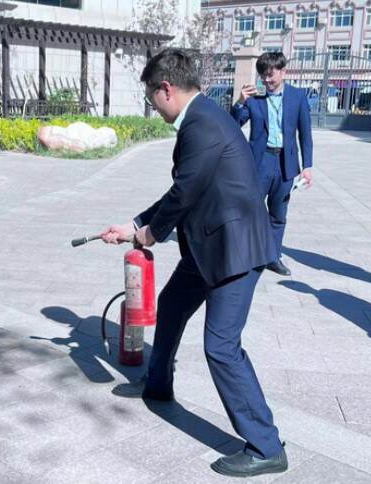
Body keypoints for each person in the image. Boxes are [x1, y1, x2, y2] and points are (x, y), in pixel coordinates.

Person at [100, 48, 286, 478]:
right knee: (172, 305)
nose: (153, 106)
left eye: (151, 98)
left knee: (221, 346)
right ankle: (158, 384)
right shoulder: (203, 117)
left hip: (235, 250)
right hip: (209, 245)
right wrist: (134, 224)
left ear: (166, 89)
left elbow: (185, 191)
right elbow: (183, 190)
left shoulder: (202, 123)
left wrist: (149, 234)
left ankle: (266, 446)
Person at [230, 52, 314, 276]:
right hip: (260, 162)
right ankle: (246, 254)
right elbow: (233, 125)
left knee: (278, 213)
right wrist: (240, 101)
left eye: (271, 75)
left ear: (283, 71)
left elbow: (305, 133)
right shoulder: (254, 98)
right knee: (250, 210)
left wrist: (307, 166)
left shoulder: (297, 96)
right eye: (263, 76)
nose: (267, 80)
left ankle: (272, 257)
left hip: (286, 163)